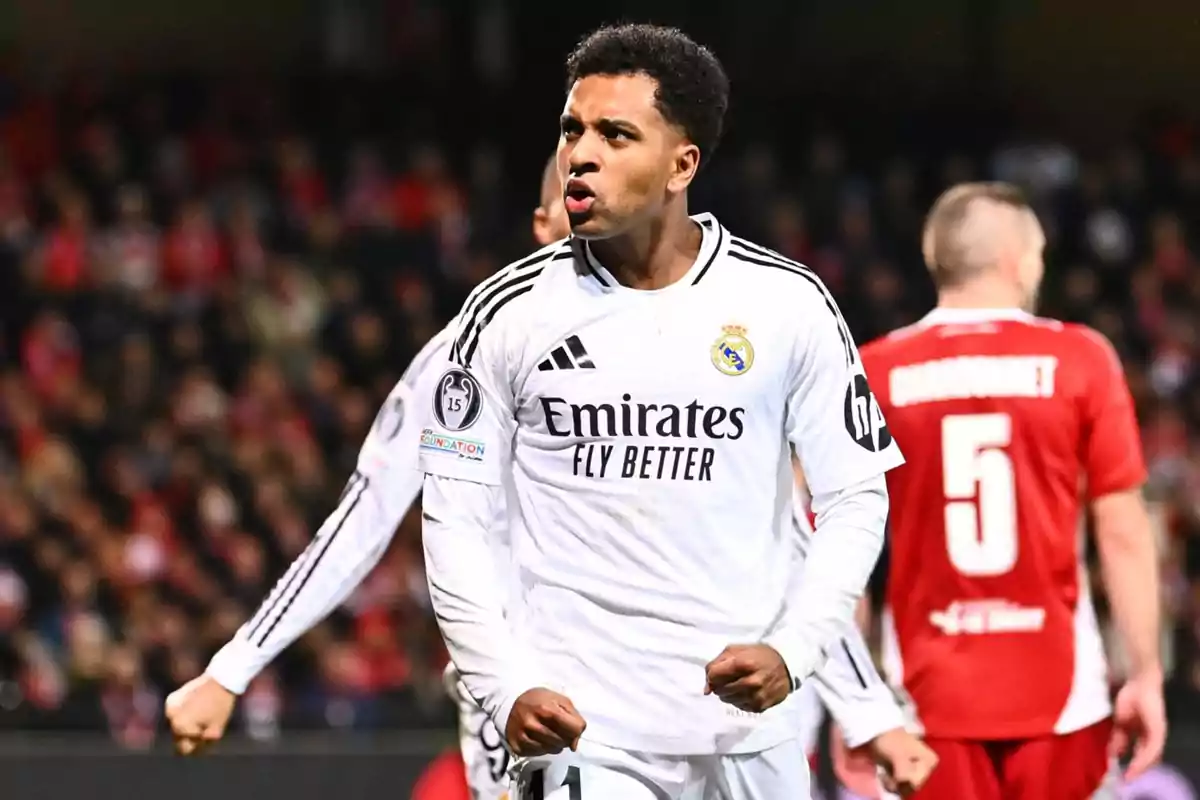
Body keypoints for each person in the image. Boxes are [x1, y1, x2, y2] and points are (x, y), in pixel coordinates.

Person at [162, 152, 928, 800]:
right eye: (577, 203)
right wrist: (234, 668)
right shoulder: (476, 346)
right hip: (547, 704)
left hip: (714, 714)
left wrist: (868, 713)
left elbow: (791, 538)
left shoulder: (710, 340)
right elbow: (364, 518)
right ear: (543, 227)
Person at [418, 23, 904, 800]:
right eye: (573, 130)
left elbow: (854, 498)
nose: (580, 154)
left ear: (683, 165)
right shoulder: (505, 313)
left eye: (616, 134)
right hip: (586, 732)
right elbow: (453, 519)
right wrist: (503, 684)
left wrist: (793, 650)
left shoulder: (787, 304)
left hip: (750, 732)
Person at [858, 182, 1167, 800]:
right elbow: (1124, 533)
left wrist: (856, 703)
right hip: (1059, 697)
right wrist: (1146, 674)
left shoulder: (875, 372)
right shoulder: (1082, 358)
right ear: (1019, 260)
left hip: (923, 700)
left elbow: (833, 550)